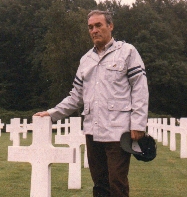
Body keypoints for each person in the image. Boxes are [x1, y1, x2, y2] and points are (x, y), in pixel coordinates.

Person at [34, 10, 149, 197]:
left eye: (98, 25)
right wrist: (52, 113)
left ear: (110, 26)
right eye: (90, 27)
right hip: (93, 132)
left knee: (117, 183)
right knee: (99, 185)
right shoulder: (86, 60)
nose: (94, 30)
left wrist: (138, 123)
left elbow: (140, 89)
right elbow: (75, 97)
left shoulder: (127, 52)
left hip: (118, 132)